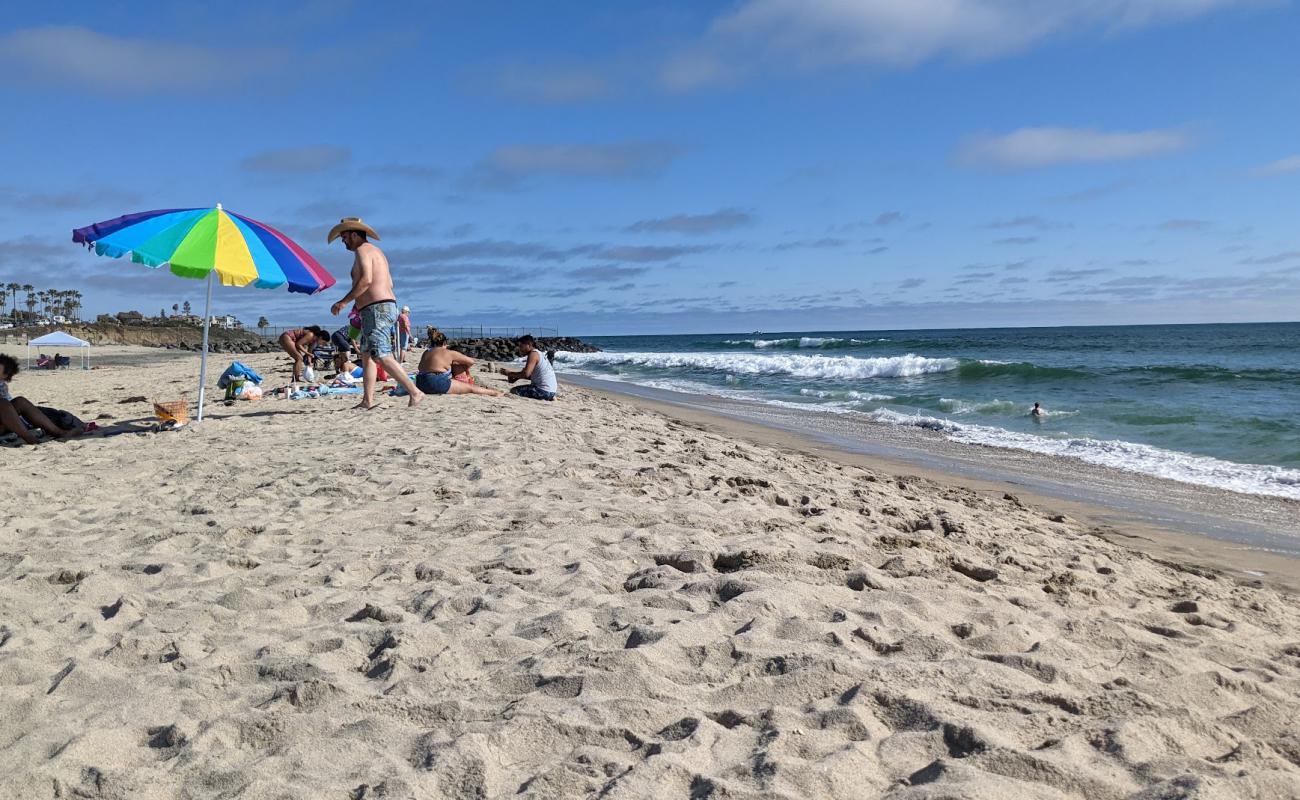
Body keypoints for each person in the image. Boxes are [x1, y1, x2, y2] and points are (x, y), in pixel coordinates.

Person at [328, 217, 423, 409]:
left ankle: (415, 391)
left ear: (355, 234)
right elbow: (389, 283)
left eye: (344, 236)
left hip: (377, 309)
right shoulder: (376, 252)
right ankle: (367, 400)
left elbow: (366, 280)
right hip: (375, 308)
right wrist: (361, 304)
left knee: (380, 354)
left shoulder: (363, 250)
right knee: (367, 355)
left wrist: (344, 302)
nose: (342, 241)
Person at [0, 353, 80, 445]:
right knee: (3, 403)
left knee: (20, 401)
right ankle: (30, 439)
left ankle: (59, 432)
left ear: (4, 376)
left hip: (4, 423)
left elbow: (9, 411)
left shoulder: (2, 386)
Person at [416, 328, 502, 397]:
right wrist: (466, 369)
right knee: (471, 388)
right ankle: (495, 393)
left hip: (420, 383)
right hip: (435, 383)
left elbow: (420, 368)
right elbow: (471, 362)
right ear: (445, 343)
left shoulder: (426, 352)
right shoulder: (449, 353)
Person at [499, 334, 558, 401]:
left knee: (513, 391)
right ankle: (550, 397)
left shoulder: (533, 354)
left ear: (529, 345)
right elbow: (531, 376)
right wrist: (513, 377)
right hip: (552, 391)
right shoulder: (539, 354)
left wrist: (509, 373)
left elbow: (526, 374)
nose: (520, 349)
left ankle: (547, 397)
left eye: (521, 346)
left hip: (543, 391)